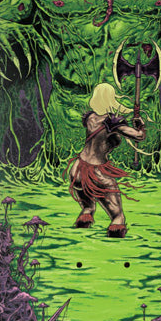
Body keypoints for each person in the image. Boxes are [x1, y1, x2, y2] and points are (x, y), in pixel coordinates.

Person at [68, 84, 145, 238]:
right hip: (95, 172)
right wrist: (140, 125)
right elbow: (138, 136)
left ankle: (83, 224)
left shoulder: (90, 118)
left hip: (77, 170)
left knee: (88, 208)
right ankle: (116, 235)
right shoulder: (112, 122)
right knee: (118, 217)